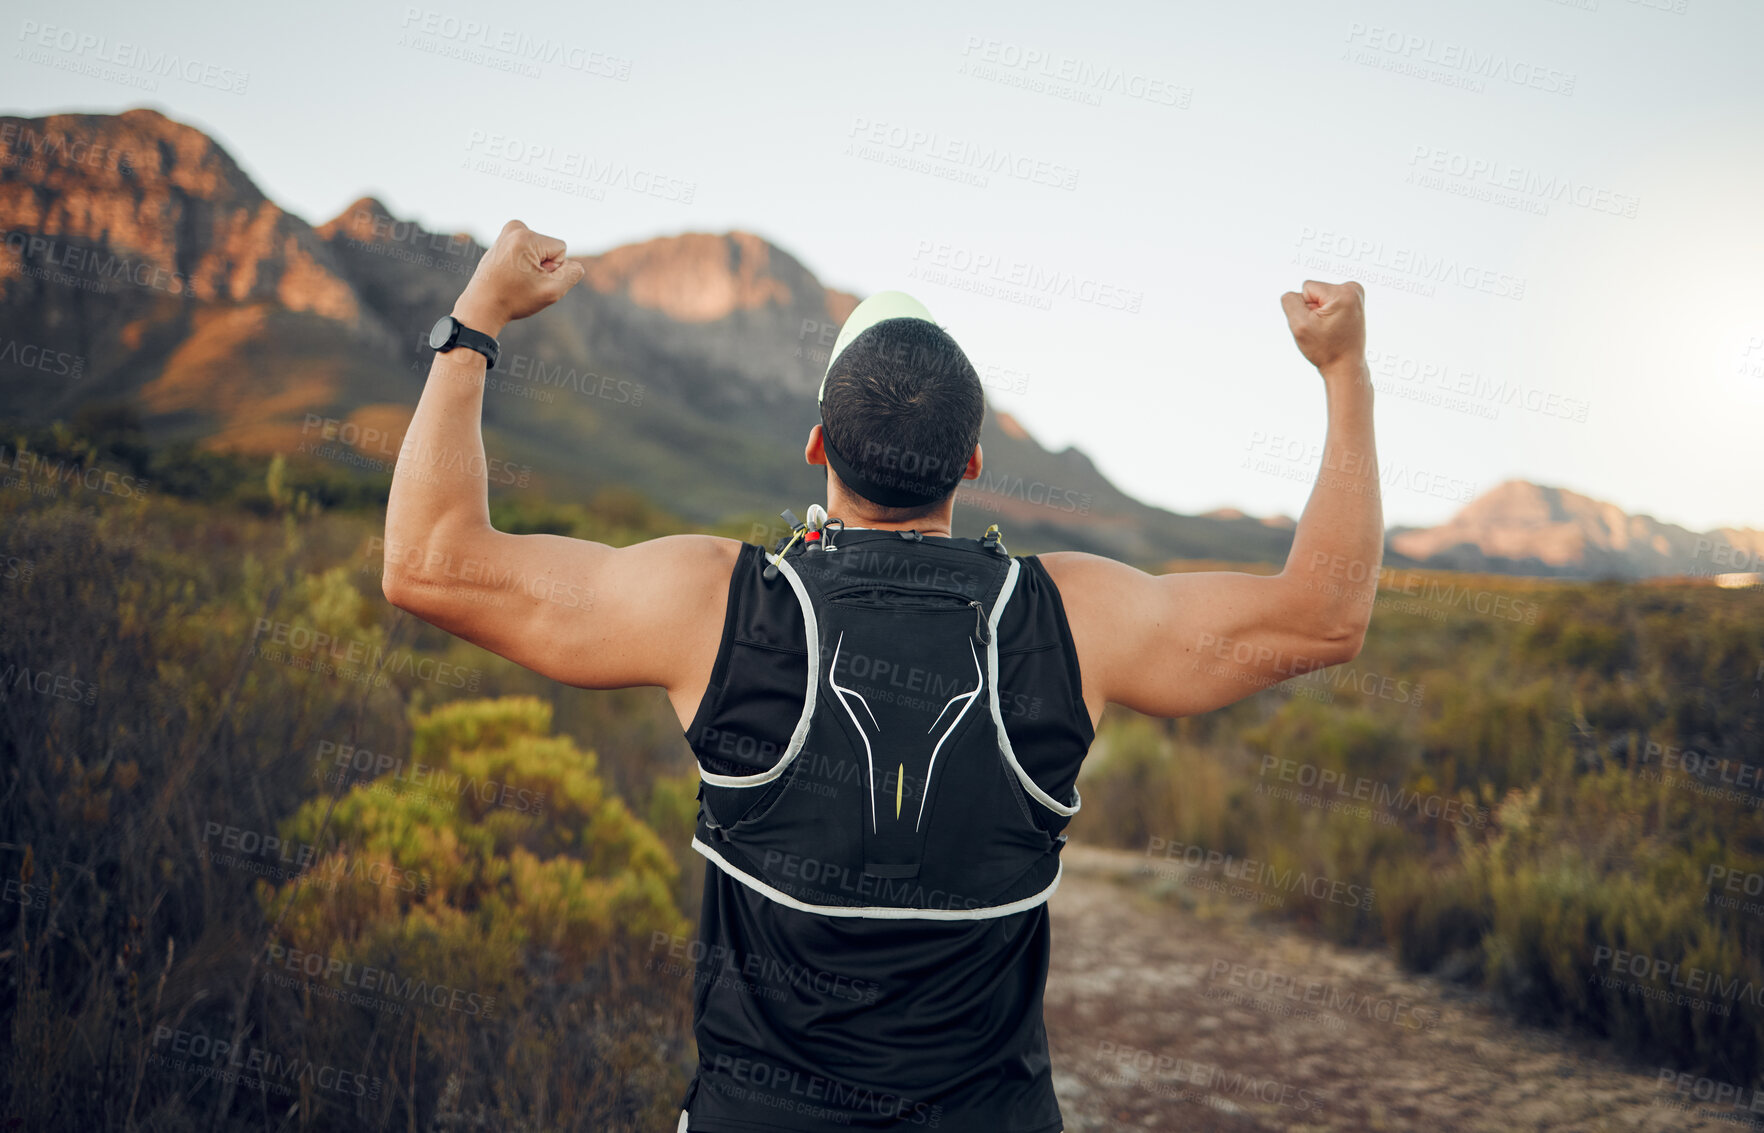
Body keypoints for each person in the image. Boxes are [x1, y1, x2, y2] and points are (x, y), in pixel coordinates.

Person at [383, 220, 1382, 1132]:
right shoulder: (1070, 617)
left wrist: (478, 317)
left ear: (819, 445)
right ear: (974, 460)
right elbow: (1323, 614)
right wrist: (1346, 376)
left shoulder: (721, 605)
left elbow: (428, 562)